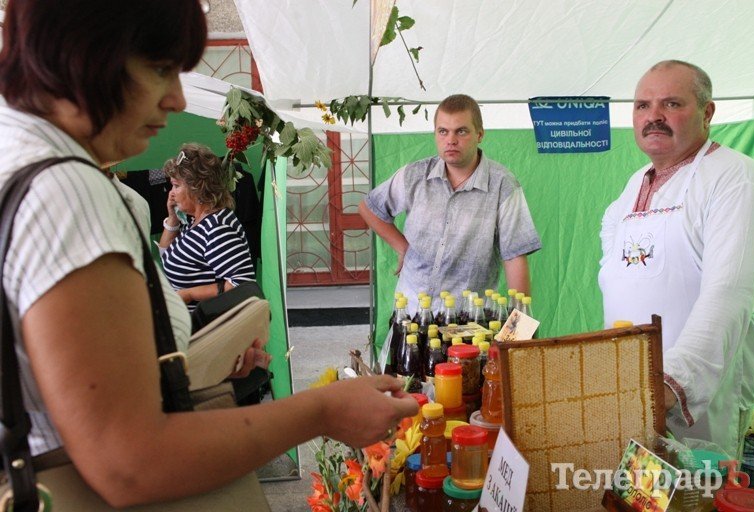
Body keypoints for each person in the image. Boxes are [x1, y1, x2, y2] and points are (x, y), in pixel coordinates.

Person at [0, 0, 417, 508]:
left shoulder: (21, 156)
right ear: (80, 54)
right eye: (160, 69)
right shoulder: (67, 191)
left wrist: (196, 367)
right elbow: (128, 462)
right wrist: (320, 411)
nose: (176, 98)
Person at [599, 60, 754, 457]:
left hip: (691, 401)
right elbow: (618, 278)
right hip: (629, 392)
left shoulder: (735, 177)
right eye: (642, 105)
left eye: (671, 104)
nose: (653, 116)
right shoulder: (631, 185)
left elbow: (728, 294)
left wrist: (671, 383)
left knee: (694, 498)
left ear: (708, 112)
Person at [359, 94, 541, 312]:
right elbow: (369, 207)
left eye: (461, 131)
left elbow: (515, 257)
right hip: (410, 314)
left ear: (479, 134)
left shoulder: (503, 185)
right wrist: (403, 248)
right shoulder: (414, 175)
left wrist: (519, 326)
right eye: (443, 131)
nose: (451, 140)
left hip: (469, 321)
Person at [158, 143, 255, 312]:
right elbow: (167, 255)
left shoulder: (217, 227)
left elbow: (243, 284)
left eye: (176, 185)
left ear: (196, 187)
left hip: (208, 330)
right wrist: (173, 219)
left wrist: (189, 294)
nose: (171, 193)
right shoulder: (194, 221)